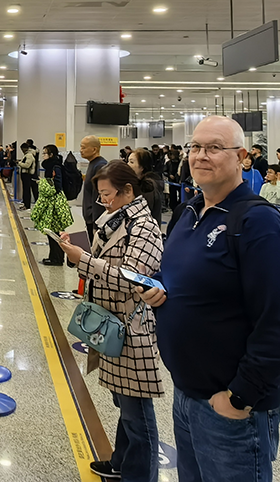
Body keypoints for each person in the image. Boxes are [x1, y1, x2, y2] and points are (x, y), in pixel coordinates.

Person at [140, 116, 280, 482]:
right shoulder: (187, 212)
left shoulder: (259, 224)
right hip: (186, 394)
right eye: (195, 147)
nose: (201, 156)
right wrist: (160, 287)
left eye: (214, 148)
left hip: (231, 409)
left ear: (242, 157)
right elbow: (181, 274)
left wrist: (240, 397)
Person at [59, 161, 163, 482]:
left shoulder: (143, 227)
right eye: (101, 195)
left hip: (131, 330)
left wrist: (83, 260)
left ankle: (139, 475)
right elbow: (104, 260)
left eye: (108, 195)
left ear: (128, 190)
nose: (104, 201)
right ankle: (122, 463)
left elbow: (132, 278)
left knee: (137, 414)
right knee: (125, 405)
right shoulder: (116, 218)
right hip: (111, 324)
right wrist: (77, 250)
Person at [38, 144, 65, 265]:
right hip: (51, 202)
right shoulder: (51, 166)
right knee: (51, 230)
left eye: (45, 153)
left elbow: (57, 186)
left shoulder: (55, 167)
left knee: (55, 231)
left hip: (55, 203)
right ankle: (53, 257)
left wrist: (45, 184)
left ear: (51, 155)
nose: (43, 155)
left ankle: (57, 258)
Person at [80, 135, 108, 235]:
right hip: (90, 218)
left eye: (83, 147)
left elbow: (100, 195)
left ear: (94, 149)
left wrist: (96, 224)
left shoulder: (100, 166)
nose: (81, 150)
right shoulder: (93, 163)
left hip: (95, 220)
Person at [128, 147, 163, 224]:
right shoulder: (136, 183)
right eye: (128, 161)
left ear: (142, 167)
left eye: (131, 162)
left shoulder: (148, 186)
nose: (128, 165)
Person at [18, 142, 38, 211]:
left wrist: (19, 163)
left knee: (27, 190)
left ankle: (27, 205)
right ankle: (25, 204)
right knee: (26, 190)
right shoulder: (27, 155)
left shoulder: (29, 155)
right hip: (26, 174)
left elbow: (27, 165)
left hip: (27, 175)